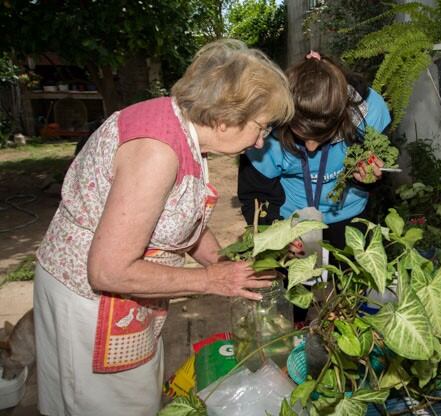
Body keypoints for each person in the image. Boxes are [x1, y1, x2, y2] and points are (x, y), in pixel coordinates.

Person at [33, 39, 294, 415]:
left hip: (122, 299)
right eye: (260, 127)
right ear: (225, 118)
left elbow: (179, 217)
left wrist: (224, 264)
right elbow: (108, 269)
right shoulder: (156, 152)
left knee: (135, 394)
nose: (260, 140)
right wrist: (210, 281)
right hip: (91, 304)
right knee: (112, 405)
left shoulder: (184, 130)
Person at [238, 51, 391, 250]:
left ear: (340, 118)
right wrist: (275, 235)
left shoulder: (370, 113)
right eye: (301, 136)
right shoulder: (265, 130)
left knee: (346, 274)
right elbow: (256, 195)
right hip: (290, 219)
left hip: (349, 215)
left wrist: (365, 180)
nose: (311, 148)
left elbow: (382, 173)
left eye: (321, 137)